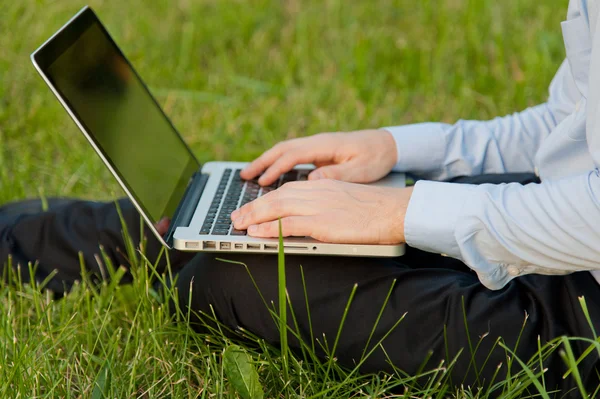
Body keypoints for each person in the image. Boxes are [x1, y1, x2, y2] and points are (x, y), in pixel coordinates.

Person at [3, 0, 600, 394]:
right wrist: (398, 149)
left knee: (231, 277)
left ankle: (156, 247)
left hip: (584, 317)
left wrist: (398, 211)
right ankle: (104, 229)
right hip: (556, 214)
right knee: (284, 204)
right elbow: (567, 128)